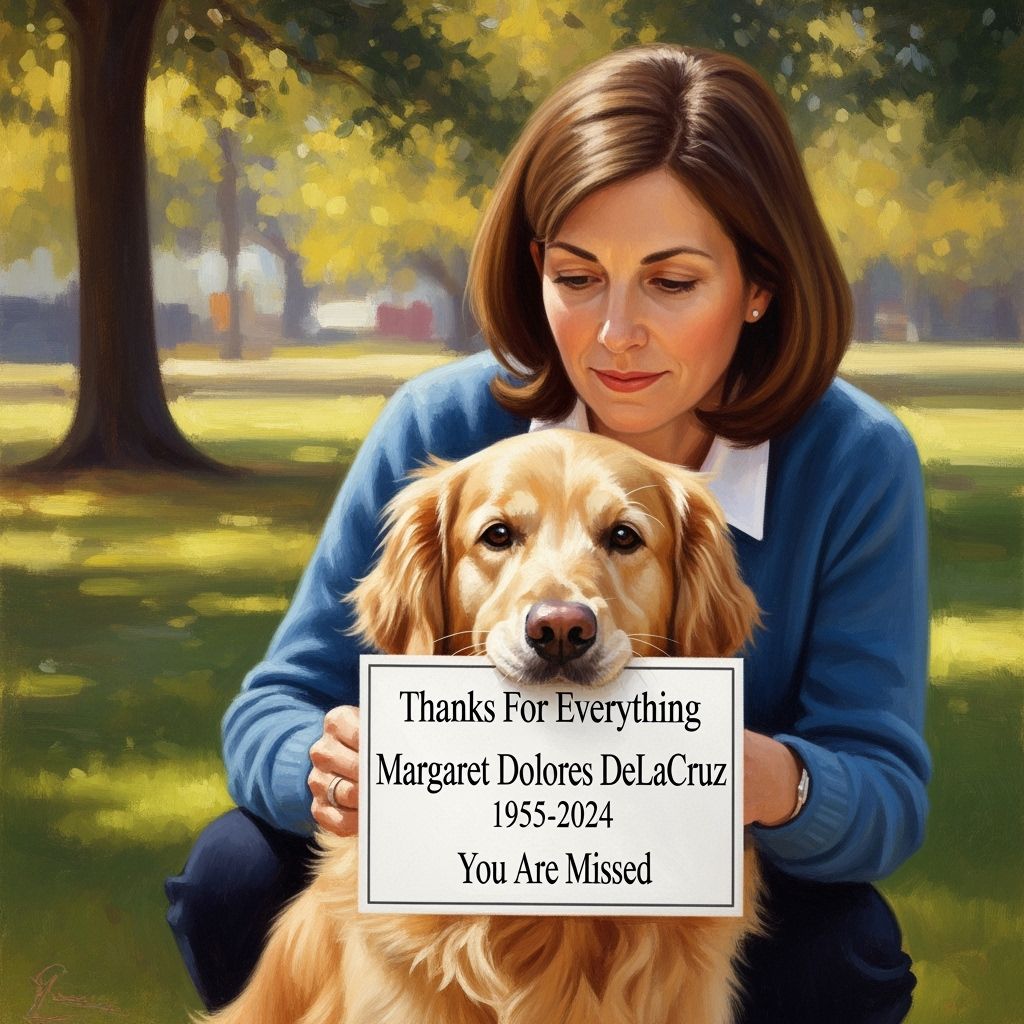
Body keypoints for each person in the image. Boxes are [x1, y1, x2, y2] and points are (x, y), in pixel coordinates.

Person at [166, 44, 930, 1021]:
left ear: (758, 286)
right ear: (536, 270)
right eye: (578, 276)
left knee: (845, 954)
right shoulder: (438, 427)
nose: (615, 331)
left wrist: (774, 782)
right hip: (445, 864)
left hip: (697, 869)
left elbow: (882, 788)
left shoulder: (854, 459)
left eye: (671, 282)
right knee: (233, 870)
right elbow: (273, 705)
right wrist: (324, 761)